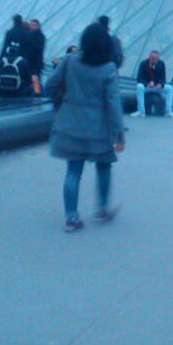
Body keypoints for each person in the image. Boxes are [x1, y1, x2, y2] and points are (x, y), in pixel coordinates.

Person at [45, 23, 125, 232]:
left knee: (73, 171)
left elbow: (50, 85)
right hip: (99, 128)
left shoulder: (70, 61)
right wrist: (119, 134)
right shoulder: (108, 68)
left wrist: (61, 103)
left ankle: (71, 218)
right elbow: (114, 103)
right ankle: (102, 210)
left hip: (70, 123)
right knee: (104, 166)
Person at [131, 50, 173, 118]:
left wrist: (161, 84)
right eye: (153, 58)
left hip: (157, 87)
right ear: (149, 57)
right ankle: (141, 111)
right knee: (139, 86)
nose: (154, 60)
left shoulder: (161, 64)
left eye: (156, 59)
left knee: (169, 88)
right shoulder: (143, 64)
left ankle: (168, 111)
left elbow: (163, 78)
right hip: (147, 87)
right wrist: (147, 84)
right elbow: (139, 78)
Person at [0, 14, 33, 95]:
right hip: (22, 58)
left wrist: (1, 58)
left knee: (10, 73)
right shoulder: (26, 33)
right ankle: (29, 94)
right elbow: (29, 48)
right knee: (22, 77)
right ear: (21, 21)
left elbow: (5, 46)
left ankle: (7, 90)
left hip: (9, 58)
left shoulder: (9, 32)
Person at [28, 19, 47, 94]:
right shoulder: (31, 35)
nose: (32, 27)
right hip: (33, 63)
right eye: (31, 25)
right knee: (34, 80)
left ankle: (36, 94)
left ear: (38, 26)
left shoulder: (40, 36)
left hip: (35, 63)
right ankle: (35, 94)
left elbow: (39, 49)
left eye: (34, 25)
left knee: (35, 81)